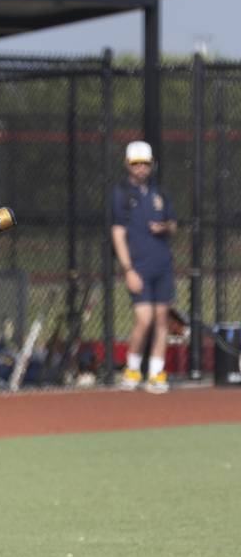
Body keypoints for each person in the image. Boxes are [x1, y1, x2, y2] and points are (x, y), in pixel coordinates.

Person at [111, 140, 177, 394]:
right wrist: (128, 270)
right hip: (138, 267)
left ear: (152, 165)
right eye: (136, 164)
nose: (141, 168)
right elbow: (117, 233)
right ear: (128, 165)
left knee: (162, 319)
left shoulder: (160, 194)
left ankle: (156, 372)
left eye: (145, 164)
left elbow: (173, 225)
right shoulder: (121, 195)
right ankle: (132, 367)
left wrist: (166, 228)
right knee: (144, 318)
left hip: (162, 265)